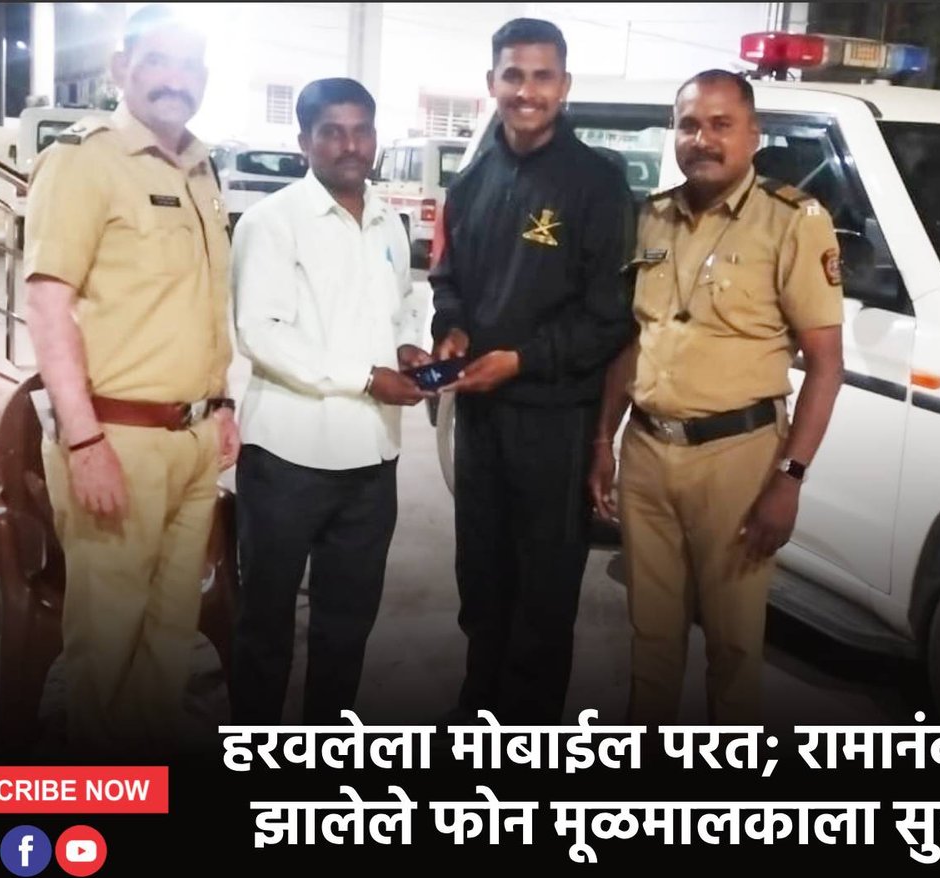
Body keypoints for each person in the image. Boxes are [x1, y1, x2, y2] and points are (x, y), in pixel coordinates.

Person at [588, 70, 846, 725]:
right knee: (651, 635)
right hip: (647, 452)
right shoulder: (652, 218)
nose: (702, 139)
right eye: (689, 125)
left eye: (721, 124)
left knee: (733, 645)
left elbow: (826, 365)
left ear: (753, 135)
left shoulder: (793, 221)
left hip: (738, 459)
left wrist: (789, 478)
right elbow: (634, 340)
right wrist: (604, 439)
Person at [22, 4, 237, 756]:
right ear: (121, 69)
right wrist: (83, 442)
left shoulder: (202, 169)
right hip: (117, 440)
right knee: (107, 645)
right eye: (159, 62)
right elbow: (47, 304)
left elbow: (199, 303)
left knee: (170, 638)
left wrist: (222, 405)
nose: (177, 80)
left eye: (191, 66)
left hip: (195, 442)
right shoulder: (86, 160)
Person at [430, 18, 636, 725]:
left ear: (564, 85)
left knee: (543, 595)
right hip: (480, 417)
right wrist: (452, 327)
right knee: (481, 577)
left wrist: (522, 360)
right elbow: (448, 280)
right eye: (513, 75)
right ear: (491, 83)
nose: (526, 91)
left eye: (542, 76)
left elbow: (611, 316)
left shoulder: (597, 185)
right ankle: (478, 710)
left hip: (555, 420)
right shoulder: (473, 181)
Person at [228, 78, 429, 724]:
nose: (350, 145)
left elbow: (404, 304)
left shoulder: (387, 220)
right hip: (289, 459)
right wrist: (367, 378)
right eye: (332, 132)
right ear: (304, 142)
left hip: (372, 461)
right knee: (265, 625)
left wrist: (409, 346)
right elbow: (261, 334)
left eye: (361, 130)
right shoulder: (272, 222)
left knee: (347, 625)